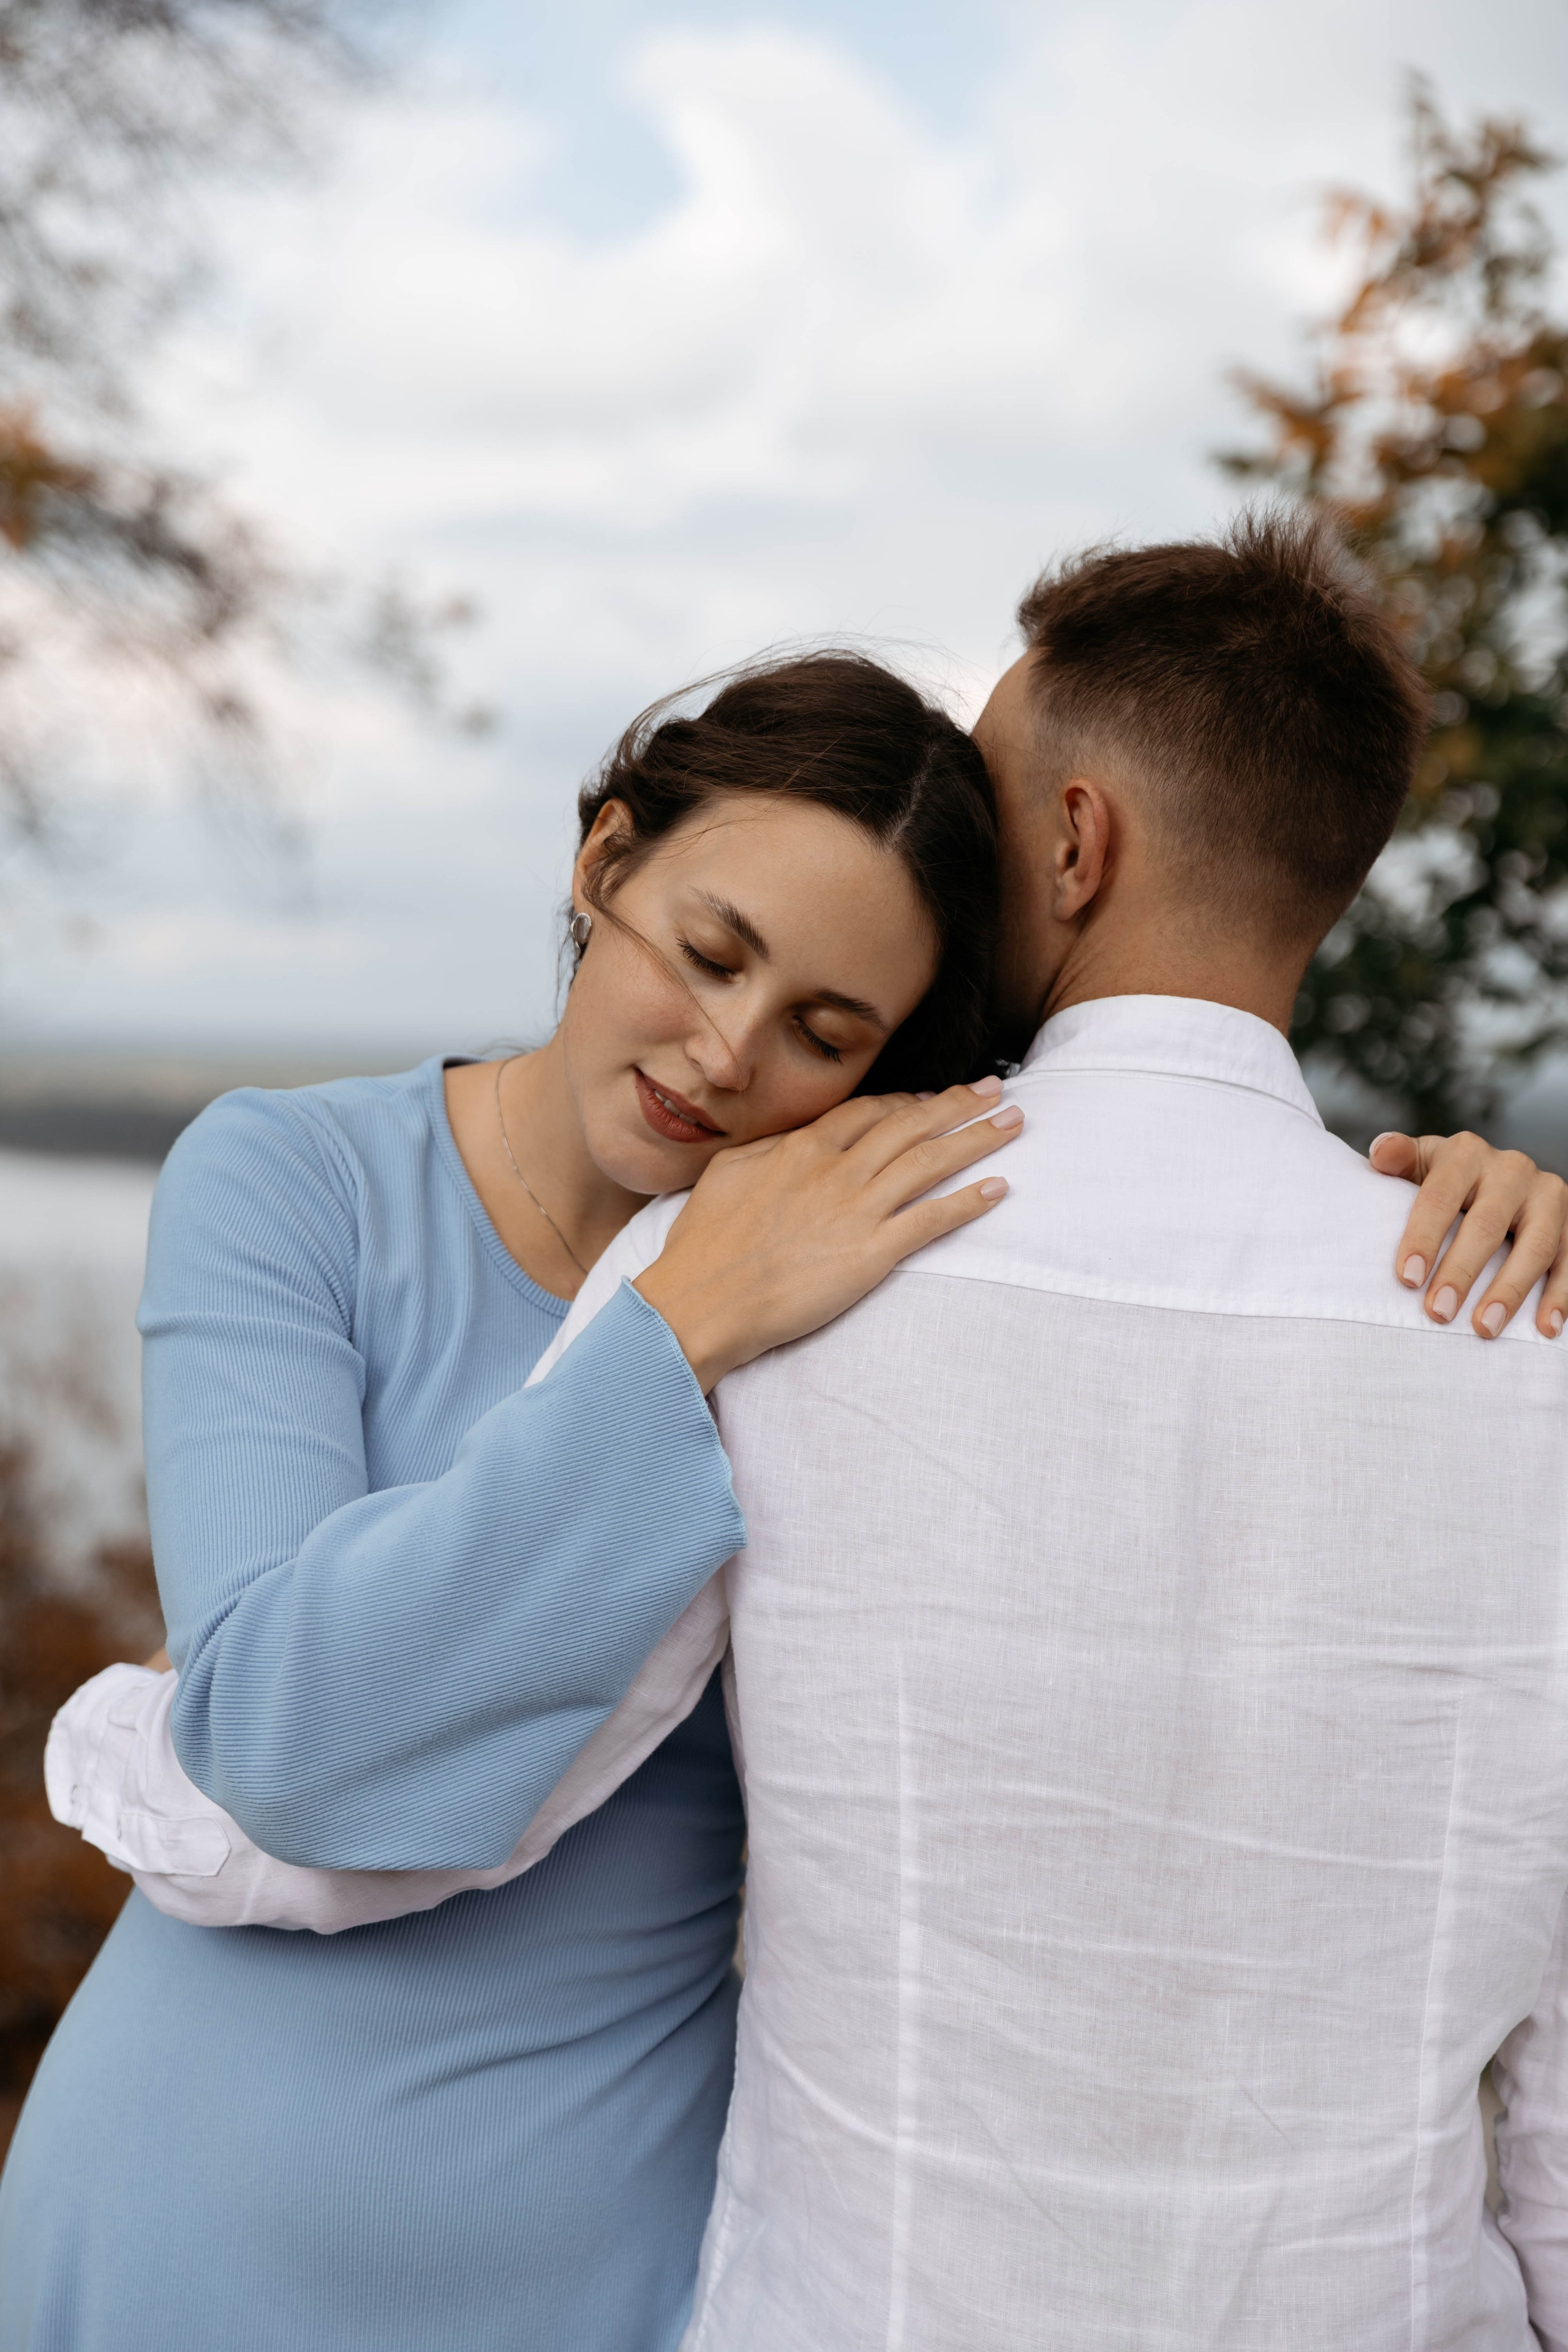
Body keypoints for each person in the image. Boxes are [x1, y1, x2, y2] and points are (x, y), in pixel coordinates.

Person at [13, 599, 1564, 2350]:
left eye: (827, 1029)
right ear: (606, 859)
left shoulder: (860, 1272)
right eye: (710, 947)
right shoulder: (298, 1182)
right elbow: (291, 1746)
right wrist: (677, 1331)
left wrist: (1489, 1240)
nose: (729, 1051)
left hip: (593, 2254)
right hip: (178, 2198)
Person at [543, 512, 1568, 2349]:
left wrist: (140, 1733)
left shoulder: (768, 1258)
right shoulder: (1532, 1338)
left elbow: (456, 1778)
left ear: (1077, 846)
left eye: (992, 807)